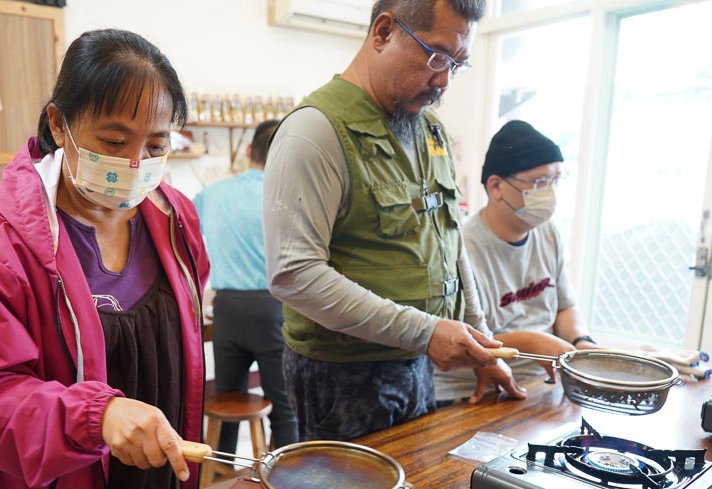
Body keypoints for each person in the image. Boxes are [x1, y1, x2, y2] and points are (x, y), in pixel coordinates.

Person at [0, 29, 210, 489]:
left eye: (155, 145)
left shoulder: (175, 219)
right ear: (60, 124)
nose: (134, 163)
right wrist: (94, 417)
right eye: (112, 141)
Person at [263, 0, 525, 442]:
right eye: (436, 56)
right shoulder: (315, 133)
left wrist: (482, 343)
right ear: (383, 33)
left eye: (458, 65)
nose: (443, 81)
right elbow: (294, 275)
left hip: (416, 361)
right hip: (342, 376)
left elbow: (450, 239)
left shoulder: (430, 130)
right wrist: (426, 332)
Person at [434, 120, 597, 403]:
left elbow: (565, 308)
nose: (550, 193)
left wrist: (581, 342)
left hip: (541, 385)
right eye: (540, 183)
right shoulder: (460, 249)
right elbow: (461, 342)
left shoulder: (547, 233)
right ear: (496, 186)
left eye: (556, 180)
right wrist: (534, 341)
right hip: (479, 393)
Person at [193, 120, 298, 452]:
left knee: (227, 398)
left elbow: (184, 232)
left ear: (250, 151)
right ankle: (283, 479)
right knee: (283, 406)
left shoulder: (213, 193)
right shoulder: (288, 195)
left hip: (226, 310)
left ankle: (222, 478)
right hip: (273, 309)